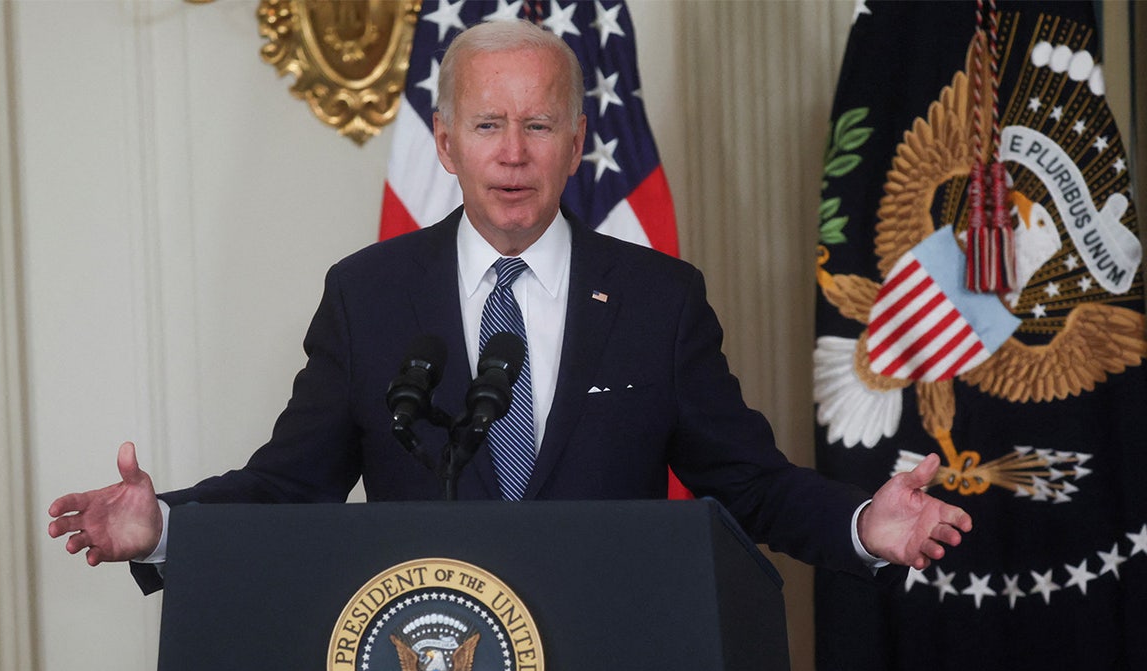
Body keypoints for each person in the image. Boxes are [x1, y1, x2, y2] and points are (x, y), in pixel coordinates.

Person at [48, 19, 970, 595]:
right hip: (431, 648)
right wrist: (162, 526)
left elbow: (752, 482)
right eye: (488, 125)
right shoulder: (367, 296)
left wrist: (863, 524)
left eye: (538, 126)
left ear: (577, 142)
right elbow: (293, 483)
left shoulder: (659, 299)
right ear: (445, 146)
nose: (513, 153)